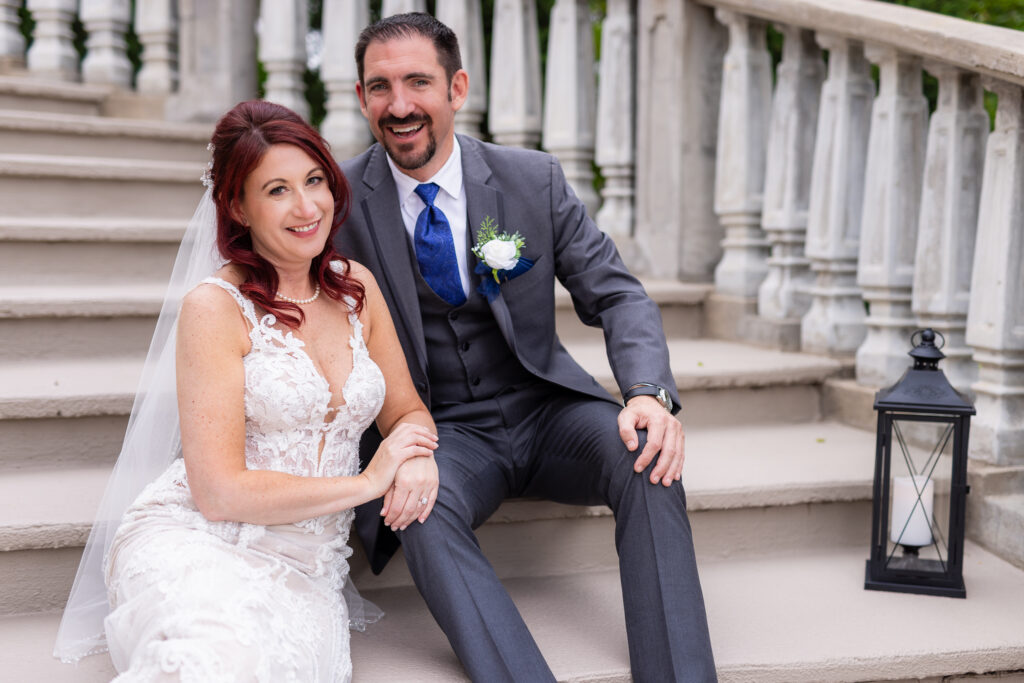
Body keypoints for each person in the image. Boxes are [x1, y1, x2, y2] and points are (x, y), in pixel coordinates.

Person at [337, 12, 717, 682]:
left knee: (650, 456)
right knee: (415, 506)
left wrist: (648, 395)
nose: (398, 105)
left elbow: (619, 294)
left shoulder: (528, 179)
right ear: (362, 96)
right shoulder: (340, 205)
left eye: (417, 82)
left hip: (548, 413)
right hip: (441, 433)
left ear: (457, 88)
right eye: (379, 87)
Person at [54, 100, 439, 682]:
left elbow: (406, 410)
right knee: (208, 656)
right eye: (277, 190)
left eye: (314, 180)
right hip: (201, 537)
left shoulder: (356, 287)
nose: (306, 206)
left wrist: (414, 458)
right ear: (238, 206)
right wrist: (368, 481)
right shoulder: (214, 308)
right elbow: (219, 494)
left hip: (308, 567)